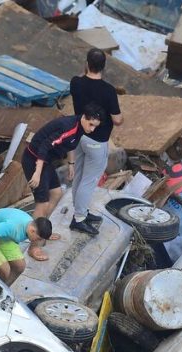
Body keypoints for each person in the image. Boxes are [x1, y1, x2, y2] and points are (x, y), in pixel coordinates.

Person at [21, 103, 105, 261]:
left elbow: (70, 144)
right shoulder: (69, 127)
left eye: (96, 126)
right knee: (41, 203)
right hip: (34, 160)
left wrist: (71, 164)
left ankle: (44, 230)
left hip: (46, 162)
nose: (92, 129)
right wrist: (37, 173)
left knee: (57, 193)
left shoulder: (80, 127)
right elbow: (45, 147)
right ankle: (34, 246)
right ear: (84, 117)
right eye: (91, 124)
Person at [68, 48, 123, 236]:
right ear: (104, 67)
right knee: (89, 181)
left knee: (79, 175)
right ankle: (79, 218)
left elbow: (80, 77)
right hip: (96, 141)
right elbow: (117, 119)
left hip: (79, 135)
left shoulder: (75, 83)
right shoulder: (108, 91)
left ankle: (80, 210)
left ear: (86, 64)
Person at [0, 207, 51, 285]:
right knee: (5, 271)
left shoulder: (29, 225)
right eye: (39, 238)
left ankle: (5, 287)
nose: (38, 241)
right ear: (32, 231)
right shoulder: (12, 227)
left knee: (20, 267)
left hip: (5, 237)